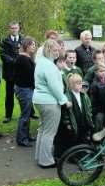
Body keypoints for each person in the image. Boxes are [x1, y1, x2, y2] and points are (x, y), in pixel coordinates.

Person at [33, 39, 72, 168]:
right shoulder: (49, 66)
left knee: (43, 129)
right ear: (48, 50)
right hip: (49, 102)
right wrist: (64, 101)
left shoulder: (41, 62)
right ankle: (46, 161)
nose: (57, 52)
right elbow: (54, 87)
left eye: (58, 50)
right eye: (55, 50)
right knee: (49, 132)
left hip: (40, 100)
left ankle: (40, 156)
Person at [54, 73, 94, 158]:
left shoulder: (83, 95)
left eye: (81, 83)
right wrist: (68, 124)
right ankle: (73, 156)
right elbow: (65, 113)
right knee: (73, 139)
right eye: (78, 83)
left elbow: (88, 106)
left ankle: (82, 153)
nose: (81, 85)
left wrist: (89, 116)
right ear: (71, 85)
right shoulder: (67, 96)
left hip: (82, 120)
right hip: (73, 122)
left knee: (83, 138)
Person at [13, 36, 37, 147]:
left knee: (27, 114)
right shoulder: (22, 58)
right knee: (25, 114)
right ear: (26, 46)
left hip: (27, 89)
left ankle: (26, 135)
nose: (34, 47)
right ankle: (22, 139)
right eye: (32, 45)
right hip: (24, 90)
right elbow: (30, 75)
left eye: (34, 45)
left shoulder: (27, 57)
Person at [0, 21, 23, 123]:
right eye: (12, 28)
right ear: (9, 29)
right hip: (9, 73)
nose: (14, 30)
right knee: (9, 95)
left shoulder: (24, 40)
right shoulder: (4, 41)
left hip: (22, 73)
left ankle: (29, 113)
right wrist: (14, 61)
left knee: (24, 94)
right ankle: (8, 115)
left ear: (19, 28)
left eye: (16, 28)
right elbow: (3, 55)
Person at [89, 63, 105, 132]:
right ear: (96, 72)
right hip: (99, 110)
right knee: (98, 127)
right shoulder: (94, 84)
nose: (103, 73)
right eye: (101, 71)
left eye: (104, 71)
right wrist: (95, 111)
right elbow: (92, 100)